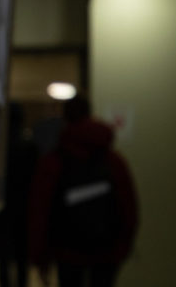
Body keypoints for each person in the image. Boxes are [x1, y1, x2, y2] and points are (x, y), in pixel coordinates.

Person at [27, 96, 138, 287]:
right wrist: (123, 247)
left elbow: (40, 211)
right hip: (107, 251)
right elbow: (129, 207)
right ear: (90, 114)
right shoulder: (114, 162)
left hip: (67, 252)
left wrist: (41, 258)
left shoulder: (54, 162)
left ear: (65, 118)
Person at [0, 103, 38, 287]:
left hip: (3, 208)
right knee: (21, 257)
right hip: (23, 208)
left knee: (3, 257)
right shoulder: (28, 146)